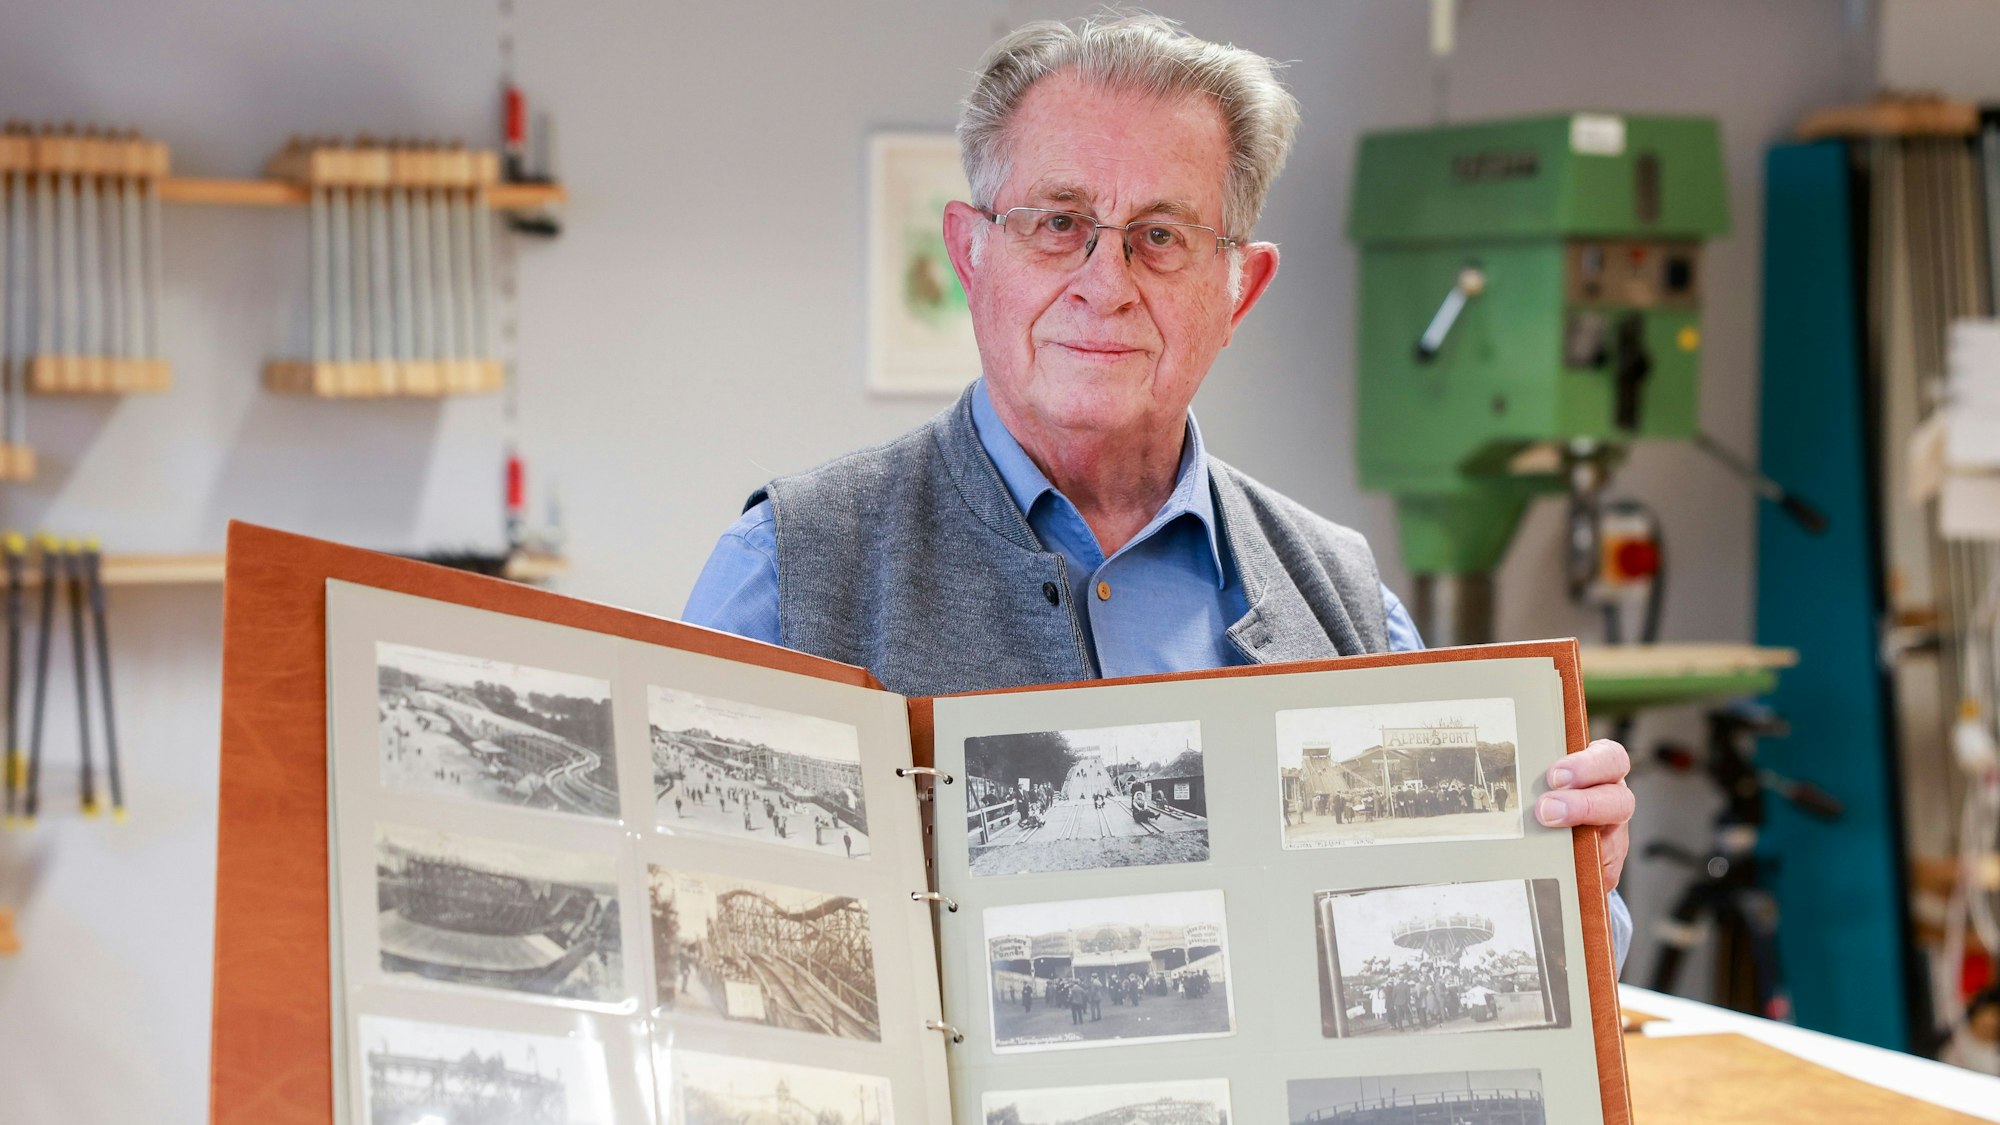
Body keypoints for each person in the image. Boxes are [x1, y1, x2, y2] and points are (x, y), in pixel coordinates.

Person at [683, 13, 1633, 967]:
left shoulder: (1346, 601)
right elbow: (686, 941)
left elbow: (1468, 954)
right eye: (1059, 223)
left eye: (1162, 236)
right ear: (970, 254)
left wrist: (1572, 872)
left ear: (1239, 290)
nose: (1107, 284)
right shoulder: (789, 571)